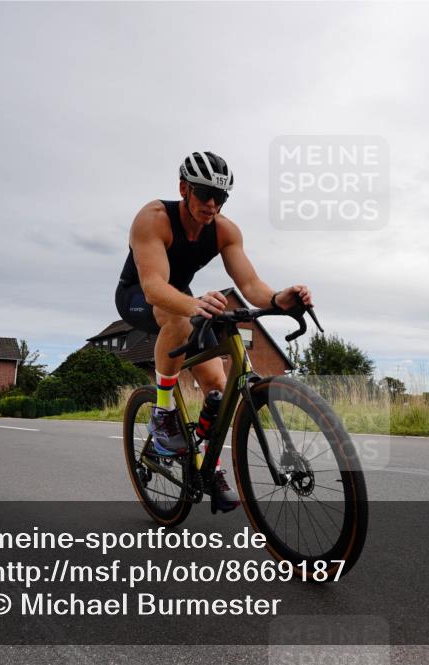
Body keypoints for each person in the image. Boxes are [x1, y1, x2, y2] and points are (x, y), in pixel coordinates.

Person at [115, 151, 313, 514]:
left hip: (185, 303)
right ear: (183, 189)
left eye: (220, 197)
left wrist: (277, 298)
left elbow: (250, 283)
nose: (211, 204)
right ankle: (162, 412)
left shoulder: (224, 230)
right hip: (140, 296)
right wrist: (192, 306)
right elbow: (155, 285)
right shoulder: (154, 219)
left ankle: (211, 469)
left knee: (219, 388)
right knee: (176, 318)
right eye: (204, 193)